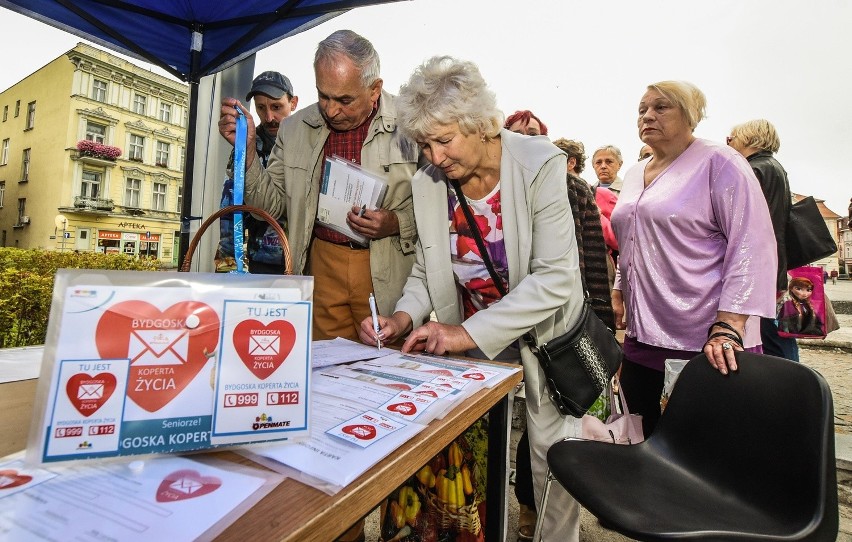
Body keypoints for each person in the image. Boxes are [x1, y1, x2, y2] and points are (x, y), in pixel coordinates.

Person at [359, 56, 585, 542]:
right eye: (425, 144)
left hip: (546, 335)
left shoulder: (539, 163)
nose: (435, 156)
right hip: (478, 337)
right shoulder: (428, 182)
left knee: (553, 459)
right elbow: (429, 264)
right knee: (472, 453)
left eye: (444, 139)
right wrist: (401, 317)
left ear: (481, 124)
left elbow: (554, 279)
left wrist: (462, 333)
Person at [218, 30, 419, 342]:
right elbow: (269, 208)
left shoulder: (413, 123)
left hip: (388, 267)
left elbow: (443, 210)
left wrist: (396, 223)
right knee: (329, 369)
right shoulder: (295, 127)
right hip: (322, 266)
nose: (331, 110)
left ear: (375, 89)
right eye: (323, 95)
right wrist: (247, 152)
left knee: (388, 367)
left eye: (344, 99)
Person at [611, 80, 777, 437]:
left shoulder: (721, 162)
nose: (648, 116)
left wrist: (729, 326)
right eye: (642, 109)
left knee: (706, 448)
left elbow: (752, 244)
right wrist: (618, 289)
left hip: (706, 340)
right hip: (643, 335)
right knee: (641, 437)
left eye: (661, 107)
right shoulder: (635, 173)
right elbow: (631, 239)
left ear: (690, 115)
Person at [504, 115, 614, 539]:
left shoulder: (571, 187)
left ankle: (538, 512)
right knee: (524, 423)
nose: (530, 144)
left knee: (553, 418)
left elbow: (592, 254)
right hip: (505, 317)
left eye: (537, 136)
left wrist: (602, 325)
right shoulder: (497, 186)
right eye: (521, 135)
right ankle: (527, 506)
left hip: (560, 325)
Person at [727, 119, 797, 361]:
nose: (729, 142)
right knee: (777, 334)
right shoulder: (775, 168)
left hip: (756, 264)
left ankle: (788, 388)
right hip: (773, 261)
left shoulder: (752, 170)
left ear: (749, 138)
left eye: (732, 136)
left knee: (768, 336)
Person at [215, 71, 298, 274]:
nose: (269, 117)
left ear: (293, 104)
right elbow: (230, 205)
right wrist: (227, 266)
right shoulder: (245, 143)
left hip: (303, 259)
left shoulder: (308, 141)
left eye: (276, 107)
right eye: (261, 108)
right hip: (262, 261)